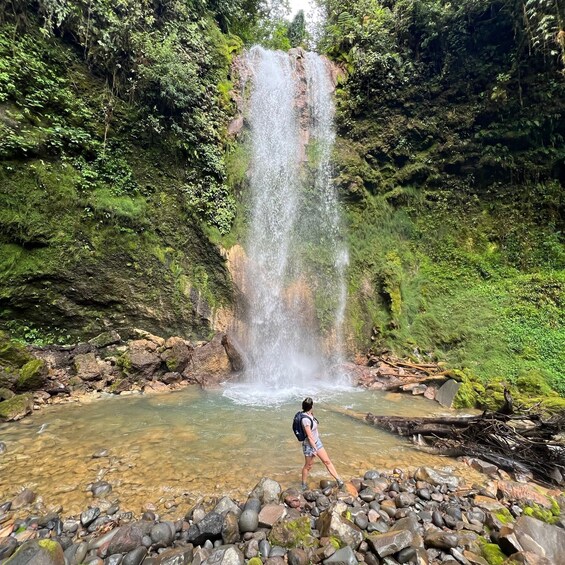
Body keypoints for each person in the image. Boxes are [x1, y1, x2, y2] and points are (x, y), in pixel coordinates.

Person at [299, 397, 344, 490]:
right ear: (311, 406)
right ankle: (303, 484)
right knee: (308, 466)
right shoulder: (305, 420)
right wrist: (314, 449)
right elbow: (310, 436)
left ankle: (339, 480)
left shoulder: (310, 414)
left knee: (327, 461)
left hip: (317, 442)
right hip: (309, 445)